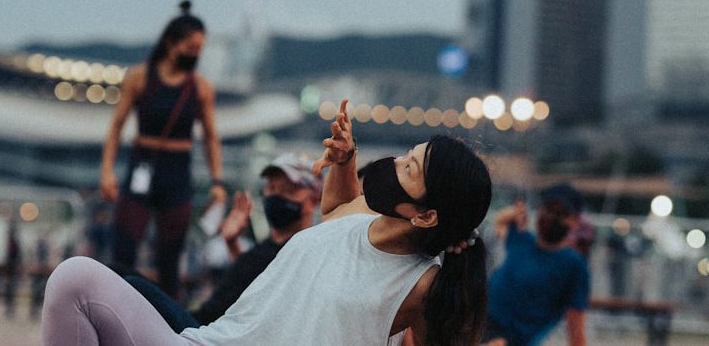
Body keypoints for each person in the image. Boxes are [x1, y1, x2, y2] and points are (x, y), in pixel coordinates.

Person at [42, 99, 493, 346]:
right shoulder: (360, 216)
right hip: (212, 342)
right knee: (75, 279)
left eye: (408, 169)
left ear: (427, 214)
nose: (394, 163)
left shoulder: (423, 283)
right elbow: (334, 209)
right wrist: (345, 158)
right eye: (406, 154)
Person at [99, 0, 225, 299]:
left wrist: (217, 182)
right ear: (171, 42)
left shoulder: (201, 88)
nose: (195, 55)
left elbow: (210, 137)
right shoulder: (140, 77)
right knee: (123, 251)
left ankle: (167, 331)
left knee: (170, 259)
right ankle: (117, 312)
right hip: (142, 163)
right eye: (190, 48)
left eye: (199, 50)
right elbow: (116, 126)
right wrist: (107, 172)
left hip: (178, 170)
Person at [124, 153, 324, 331]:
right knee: (120, 273)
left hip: (208, 332)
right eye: (271, 187)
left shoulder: (302, 250)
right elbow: (252, 281)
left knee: (129, 283)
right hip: (200, 321)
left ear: (314, 199)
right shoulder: (267, 246)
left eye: (288, 190)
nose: (275, 196)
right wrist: (231, 243)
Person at [482, 183, 590, 346]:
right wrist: (515, 213)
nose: (551, 217)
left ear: (574, 220)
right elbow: (501, 221)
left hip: (510, 340)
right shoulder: (522, 239)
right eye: (548, 208)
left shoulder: (574, 266)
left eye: (560, 213)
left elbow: (575, 326)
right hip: (478, 320)